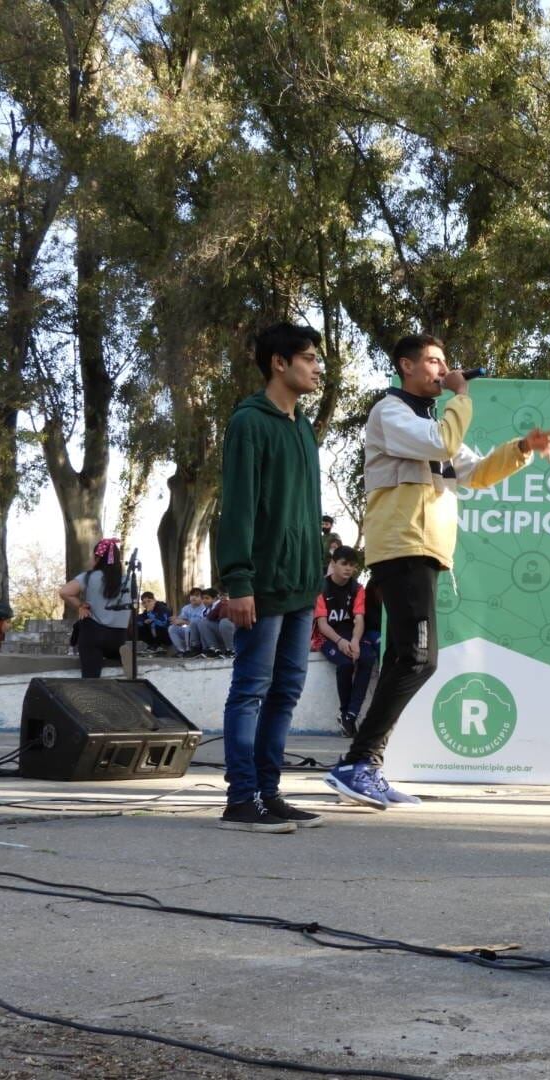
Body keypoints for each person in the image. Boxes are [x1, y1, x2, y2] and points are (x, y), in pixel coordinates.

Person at [323, 333, 550, 810]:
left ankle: (364, 764)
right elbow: (444, 440)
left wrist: (522, 447)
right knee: (418, 657)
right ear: (405, 367)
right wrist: (463, 396)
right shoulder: (391, 413)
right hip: (402, 547)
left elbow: (476, 473)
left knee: (407, 658)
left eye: (444, 362)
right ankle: (359, 763)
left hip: (423, 550)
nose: (442, 369)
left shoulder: (428, 422)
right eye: (432, 361)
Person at [215, 322, 328, 833]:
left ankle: (268, 791)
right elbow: (237, 508)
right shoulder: (249, 423)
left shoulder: (303, 427)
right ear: (279, 363)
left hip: (302, 585)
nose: (317, 367)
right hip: (260, 585)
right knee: (251, 689)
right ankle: (240, 800)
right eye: (308, 358)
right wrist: (238, 580)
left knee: (286, 691)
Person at [58, 538, 134, 678]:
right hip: (118, 636)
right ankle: (120, 654)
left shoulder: (88, 577)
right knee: (115, 647)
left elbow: (64, 592)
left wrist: (80, 605)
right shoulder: (128, 581)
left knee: (91, 676)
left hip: (94, 635)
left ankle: (92, 684)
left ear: (98, 558)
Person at [312, 545, 365, 735]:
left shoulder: (357, 589)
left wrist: (355, 640)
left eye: (352, 565)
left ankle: (351, 714)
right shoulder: (321, 587)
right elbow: (322, 624)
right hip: (327, 637)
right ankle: (344, 713)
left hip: (351, 635)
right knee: (345, 664)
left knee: (367, 658)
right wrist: (341, 641)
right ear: (333, 564)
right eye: (344, 564)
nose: (348, 569)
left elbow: (359, 619)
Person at [341, 571, 382, 736]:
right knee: (367, 659)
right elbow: (366, 621)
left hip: (383, 636)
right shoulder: (368, 594)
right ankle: (351, 715)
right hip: (370, 635)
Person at [194, 587, 236, 657]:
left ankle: (232, 650)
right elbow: (210, 617)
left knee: (224, 622)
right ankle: (214, 649)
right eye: (203, 598)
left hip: (236, 632)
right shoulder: (217, 605)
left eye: (225, 595)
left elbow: (224, 615)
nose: (223, 597)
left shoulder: (225, 603)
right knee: (203, 622)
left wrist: (222, 604)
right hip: (223, 631)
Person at [168, 587, 206, 657]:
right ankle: (182, 650)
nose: (193, 597)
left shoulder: (204, 608)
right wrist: (176, 620)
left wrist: (184, 622)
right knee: (172, 628)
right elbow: (182, 619)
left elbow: (198, 623)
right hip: (188, 632)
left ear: (202, 598)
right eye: (192, 595)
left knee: (189, 628)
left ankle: (190, 650)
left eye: (197, 596)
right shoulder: (186, 608)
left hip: (198, 634)